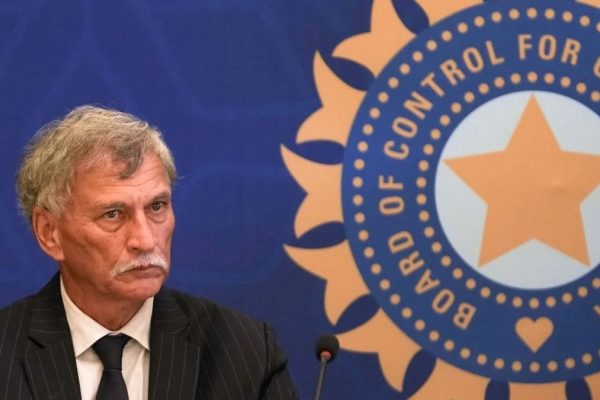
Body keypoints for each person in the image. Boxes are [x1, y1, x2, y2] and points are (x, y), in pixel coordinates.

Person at [0, 105, 298, 399]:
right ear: (49, 233)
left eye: (157, 207)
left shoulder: (246, 354)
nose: (145, 240)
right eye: (113, 214)